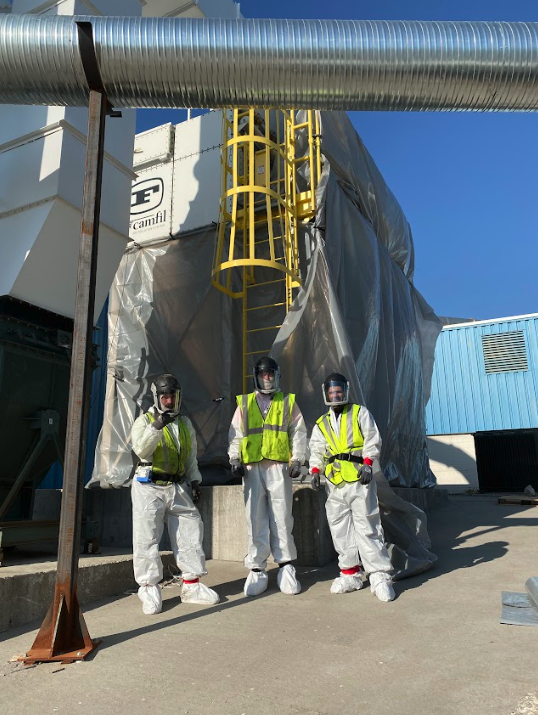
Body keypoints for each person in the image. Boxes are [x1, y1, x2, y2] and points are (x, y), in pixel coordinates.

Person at [130, 373, 219, 615]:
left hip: (177, 486)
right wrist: (157, 426)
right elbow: (141, 449)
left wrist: (195, 480)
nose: (169, 401)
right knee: (147, 537)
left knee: (191, 531)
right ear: (156, 397)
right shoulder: (145, 421)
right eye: (164, 396)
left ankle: (191, 585)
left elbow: (190, 457)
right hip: (149, 486)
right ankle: (148, 588)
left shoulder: (185, 424)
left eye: (172, 396)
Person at [309, 372, 395, 602]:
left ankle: (379, 574)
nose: (336, 394)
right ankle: (350, 573)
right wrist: (315, 471)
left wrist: (368, 464)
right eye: (332, 391)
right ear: (326, 393)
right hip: (335, 483)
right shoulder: (321, 423)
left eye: (339, 391)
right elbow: (316, 449)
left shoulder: (359, 413)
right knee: (340, 529)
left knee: (368, 525)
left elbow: (372, 439)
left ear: (345, 391)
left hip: (359, 479)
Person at [228, 357, 307, 597]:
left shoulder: (287, 402)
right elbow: (236, 434)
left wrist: (298, 459)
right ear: (257, 377)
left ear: (276, 376)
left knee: (282, 517)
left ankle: (286, 566)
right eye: (264, 375)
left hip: (278, 467)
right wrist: (234, 458)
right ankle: (257, 568)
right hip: (252, 468)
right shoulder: (245, 403)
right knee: (255, 518)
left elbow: (299, 431)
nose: (268, 379)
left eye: (271, 375)